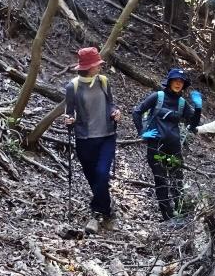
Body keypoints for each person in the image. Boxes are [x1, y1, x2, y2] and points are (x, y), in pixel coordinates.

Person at [63, 47, 122, 234]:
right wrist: (68, 119)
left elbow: (110, 103)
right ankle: (107, 211)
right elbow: (69, 111)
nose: (99, 67)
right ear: (87, 67)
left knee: (102, 174)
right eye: (96, 64)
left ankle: (96, 213)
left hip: (106, 136)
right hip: (84, 138)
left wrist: (115, 112)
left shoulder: (104, 82)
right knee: (94, 178)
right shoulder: (72, 86)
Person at [132, 68, 202, 222]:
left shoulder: (182, 103)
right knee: (161, 180)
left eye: (181, 81)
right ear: (169, 81)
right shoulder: (158, 97)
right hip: (156, 149)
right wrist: (142, 132)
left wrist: (198, 109)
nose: (178, 83)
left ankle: (180, 212)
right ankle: (168, 217)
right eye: (176, 80)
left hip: (173, 150)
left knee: (177, 179)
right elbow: (137, 112)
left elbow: (193, 125)